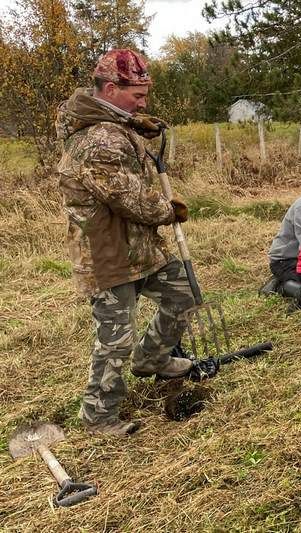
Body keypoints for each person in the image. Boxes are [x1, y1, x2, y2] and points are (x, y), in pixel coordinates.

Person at [55, 49, 195, 436]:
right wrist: (170, 210)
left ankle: (151, 359)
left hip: (139, 248)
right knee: (116, 339)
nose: (144, 102)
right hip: (107, 254)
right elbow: (130, 199)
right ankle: (98, 418)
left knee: (184, 292)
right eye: (138, 96)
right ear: (112, 88)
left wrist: (134, 124)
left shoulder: (114, 124)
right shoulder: (98, 140)